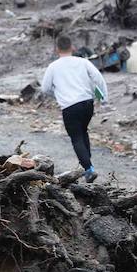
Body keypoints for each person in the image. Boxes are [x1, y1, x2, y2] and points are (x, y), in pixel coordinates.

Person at [40, 34, 107, 182]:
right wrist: (103, 98)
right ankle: (87, 165)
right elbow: (98, 77)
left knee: (76, 137)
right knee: (83, 132)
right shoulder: (83, 62)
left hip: (69, 106)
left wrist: (57, 95)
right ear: (72, 47)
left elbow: (45, 89)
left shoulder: (53, 67)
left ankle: (88, 169)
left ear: (57, 49)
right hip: (87, 103)